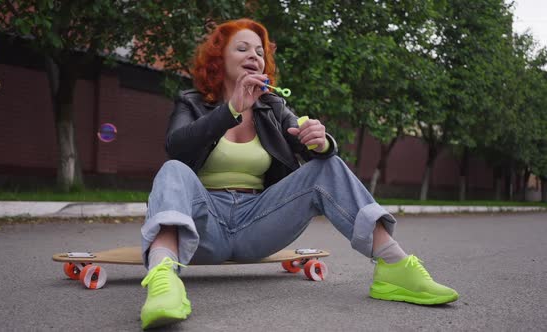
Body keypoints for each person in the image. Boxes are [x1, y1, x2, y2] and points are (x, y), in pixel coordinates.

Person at [139, 18, 458, 329]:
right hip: (203, 224)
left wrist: (321, 141)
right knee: (173, 170)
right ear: (218, 59)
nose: (254, 55)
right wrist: (231, 110)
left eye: (260, 52)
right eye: (242, 49)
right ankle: (164, 283)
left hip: (257, 222)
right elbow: (177, 147)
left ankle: (394, 267)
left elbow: (313, 149)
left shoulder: (272, 106)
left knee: (327, 166)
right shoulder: (191, 102)